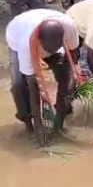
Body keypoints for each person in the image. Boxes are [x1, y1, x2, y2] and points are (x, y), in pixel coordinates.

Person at [6, 9, 80, 145]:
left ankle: (60, 118)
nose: (50, 52)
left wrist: (69, 84)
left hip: (45, 35)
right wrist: (39, 131)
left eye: (55, 48)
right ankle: (28, 122)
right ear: (40, 40)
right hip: (16, 36)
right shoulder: (24, 43)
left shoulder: (69, 27)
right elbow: (33, 86)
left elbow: (73, 56)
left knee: (65, 74)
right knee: (19, 85)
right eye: (48, 49)